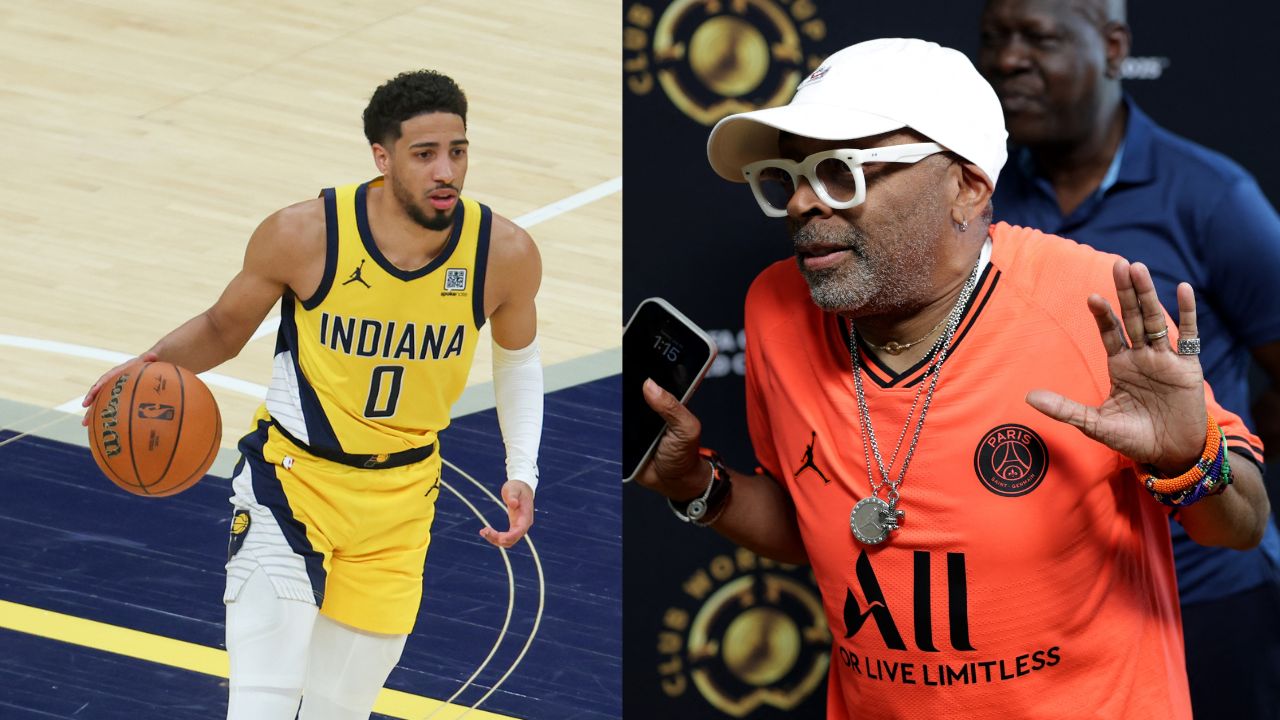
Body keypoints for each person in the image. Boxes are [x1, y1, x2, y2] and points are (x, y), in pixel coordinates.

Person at [633, 38, 1271, 719]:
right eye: (788, 176)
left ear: (965, 188)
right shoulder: (776, 306)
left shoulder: (1091, 303)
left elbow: (1241, 526)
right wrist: (695, 486)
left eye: (841, 171)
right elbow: (824, 529)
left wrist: (1188, 457)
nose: (799, 205)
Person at [81, 70, 545, 720]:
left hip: (401, 508)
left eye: (458, 151)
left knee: (337, 714)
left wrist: (521, 468)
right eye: (425, 154)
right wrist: (144, 366)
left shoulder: (506, 253)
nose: (447, 171)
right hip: (291, 488)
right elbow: (222, 328)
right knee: (261, 710)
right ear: (381, 158)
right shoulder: (305, 234)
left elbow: (518, 361)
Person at [977, 1, 1280, 716]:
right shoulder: (978, 200)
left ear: (1114, 48)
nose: (1008, 60)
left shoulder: (1211, 198)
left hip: (1205, 595)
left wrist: (1215, 449)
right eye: (994, 39)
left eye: (1038, 38)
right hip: (1048, 608)